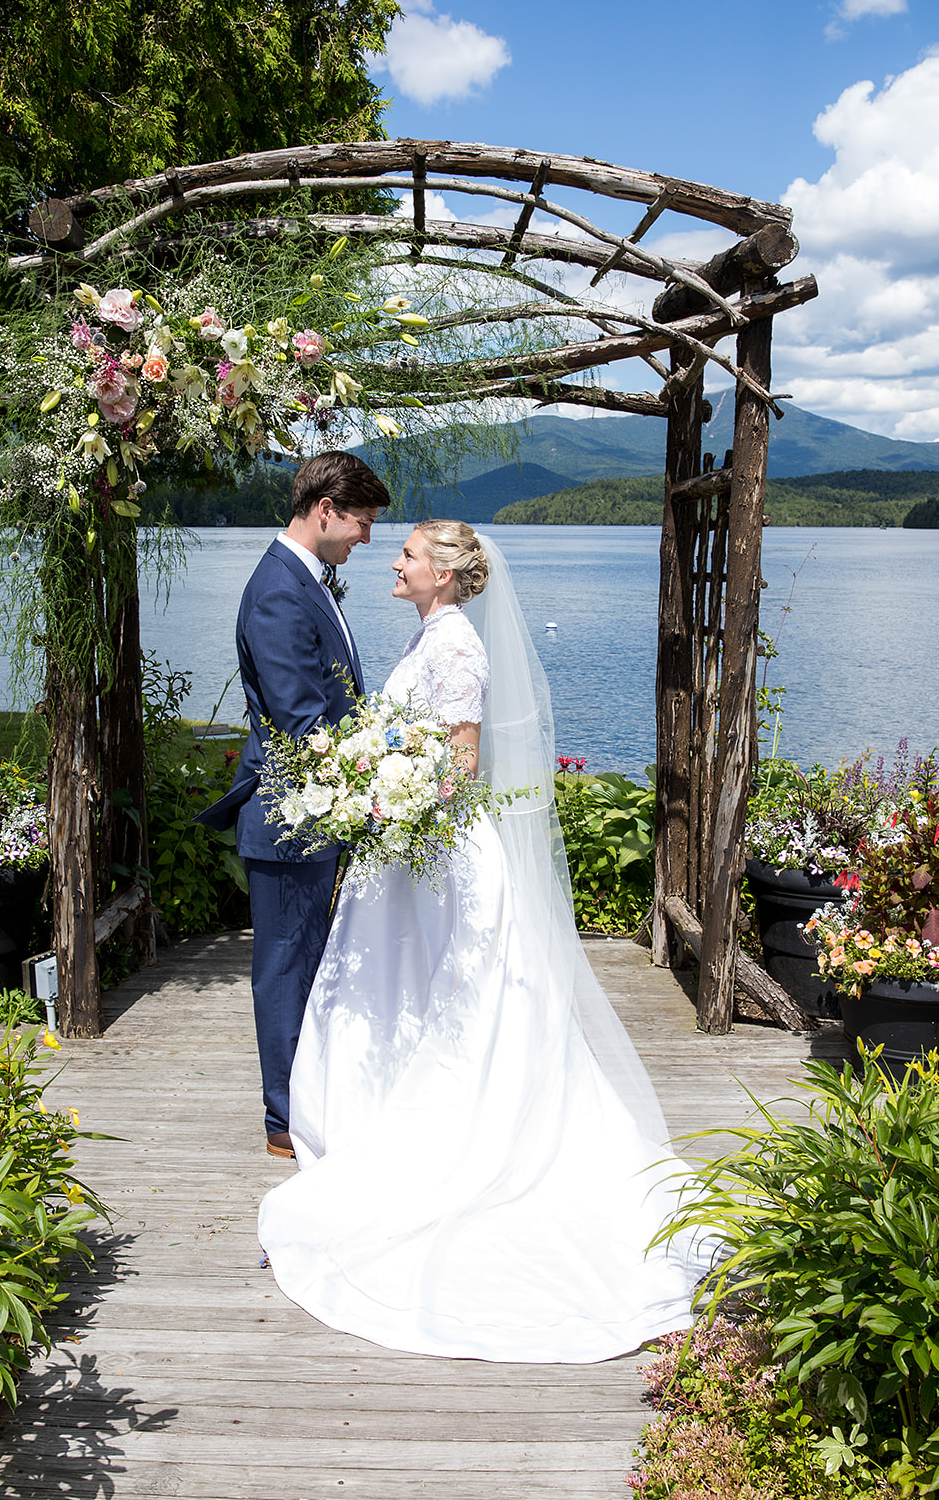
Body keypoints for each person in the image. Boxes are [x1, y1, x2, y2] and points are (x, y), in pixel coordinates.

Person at [257, 521, 707, 1364]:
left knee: (448, 994)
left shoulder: (456, 647)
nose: (394, 563)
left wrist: (385, 800)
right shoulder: (433, 636)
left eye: (407, 557)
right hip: (410, 851)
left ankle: (444, 1128)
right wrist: (369, 786)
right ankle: (380, 1109)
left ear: (443, 575)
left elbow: (459, 764)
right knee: (406, 988)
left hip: (438, 854)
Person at [195, 451, 391, 1160]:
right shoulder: (279, 590)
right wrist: (376, 784)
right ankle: (284, 1118)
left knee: (307, 961)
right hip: (288, 813)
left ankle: (305, 1098)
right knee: (285, 964)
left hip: (313, 808)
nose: (366, 539)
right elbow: (302, 719)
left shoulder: (305, 580)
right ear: (325, 510)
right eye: (362, 524)